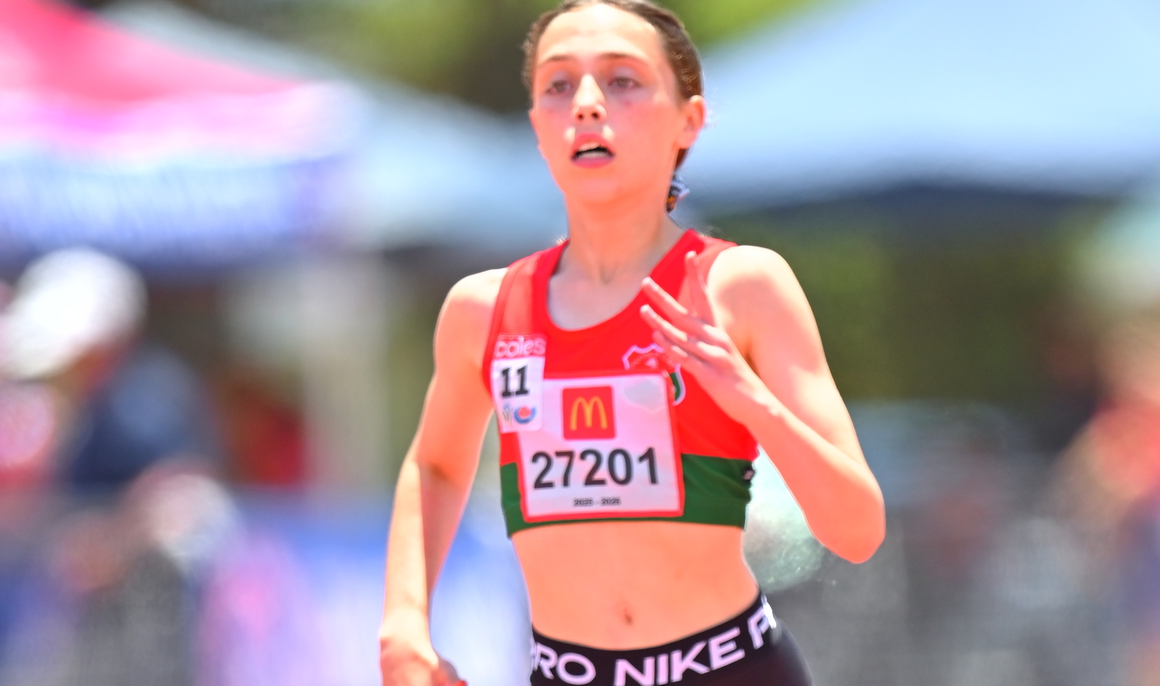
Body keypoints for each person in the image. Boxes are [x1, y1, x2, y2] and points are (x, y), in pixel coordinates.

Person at [378, 2, 886, 684]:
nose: (587, 103)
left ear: (688, 121)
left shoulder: (741, 285)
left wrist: (750, 401)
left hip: (730, 668)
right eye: (558, 84)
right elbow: (436, 467)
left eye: (622, 80)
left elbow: (858, 531)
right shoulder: (482, 309)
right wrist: (403, 621)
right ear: (537, 126)